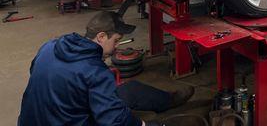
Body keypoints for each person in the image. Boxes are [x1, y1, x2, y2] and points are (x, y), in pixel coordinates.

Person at [18, 11, 194, 126]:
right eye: (116, 40)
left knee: (128, 90)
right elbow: (113, 121)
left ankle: (169, 100)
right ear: (101, 36)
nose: (116, 47)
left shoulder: (49, 47)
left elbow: (37, 73)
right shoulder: (95, 71)